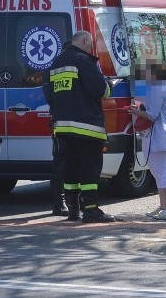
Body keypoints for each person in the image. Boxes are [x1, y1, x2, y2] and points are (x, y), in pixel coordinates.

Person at [45, 30, 116, 223]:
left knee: (70, 169)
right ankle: (91, 210)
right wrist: (109, 84)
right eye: (90, 44)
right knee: (89, 168)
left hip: (62, 128)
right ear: (85, 41)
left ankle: (73, 211)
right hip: (86, 127)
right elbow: (99, 89)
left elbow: (49, 95)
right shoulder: (83, 61)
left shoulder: (56, 64)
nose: (90, 48)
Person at [128, 61, 166, 221]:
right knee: (159, 172)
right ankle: (163, 207)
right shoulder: (164, 87)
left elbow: (152, 114)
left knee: (161, 172)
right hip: (159, 134)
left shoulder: (158, 87)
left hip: (157, 134)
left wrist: (135, 111)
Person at [43, 39, 71, 216]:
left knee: (63, 163)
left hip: (60, 122)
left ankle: (63, 203)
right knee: (61, 164)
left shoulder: (51, 69)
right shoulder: (61, 69)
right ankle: (59, 204)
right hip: (63, 122)